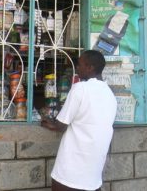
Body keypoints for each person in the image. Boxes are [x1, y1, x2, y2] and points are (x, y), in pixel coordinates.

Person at [41, 50, 117, 191]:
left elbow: (61, 125)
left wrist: (46, 121)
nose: (77, 68)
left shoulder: (80, 89)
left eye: (80, 64)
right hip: (93, 175)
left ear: (90, 68)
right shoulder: (110, 95)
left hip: (70, 173)